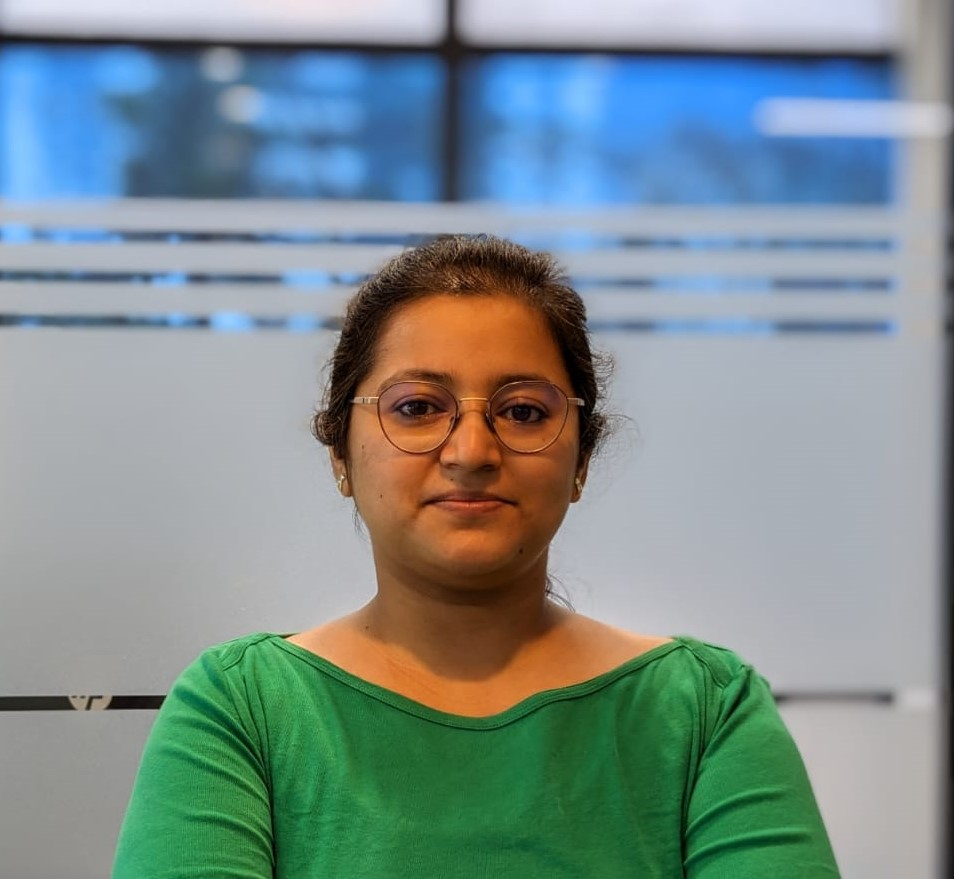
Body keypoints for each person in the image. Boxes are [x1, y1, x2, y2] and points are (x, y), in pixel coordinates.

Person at [112, 235, 840, 878]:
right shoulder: (242, 708)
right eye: (417, 407)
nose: (470, 452)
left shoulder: (705, 710)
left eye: (523, 411)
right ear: (340, 454)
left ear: (582, 458)